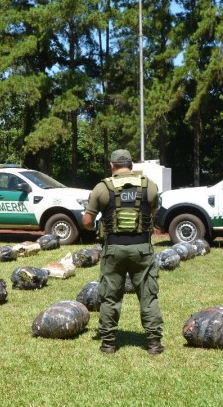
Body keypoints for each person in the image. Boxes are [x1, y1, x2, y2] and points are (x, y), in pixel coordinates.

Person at [82, 149, 164, 355]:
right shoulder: (149, 186)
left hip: (113, 250)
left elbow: (87, 221)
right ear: (132, 164)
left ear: (112, 166)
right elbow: (153, 213)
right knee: (148, 295)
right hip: (142, 249)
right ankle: (154, 343)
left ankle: (108, 343)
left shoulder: (102, 188)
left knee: (110, 296)